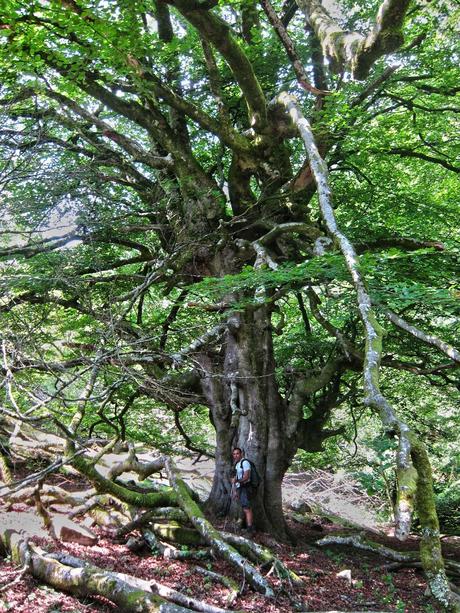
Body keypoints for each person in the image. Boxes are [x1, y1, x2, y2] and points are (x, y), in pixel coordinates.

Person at [231, 447, 255, 534]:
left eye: (237, 453)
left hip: (245, 487)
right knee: (244, 507)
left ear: (241, 454)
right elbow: (236, 478)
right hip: (240, 488)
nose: (235, 455)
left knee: (247, 508)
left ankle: (250, 528)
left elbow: (246, 476)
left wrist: (237, 481)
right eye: (234, 454)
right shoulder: (237, 464)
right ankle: (247, 526)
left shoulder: (245, 463)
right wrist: (235, 490)